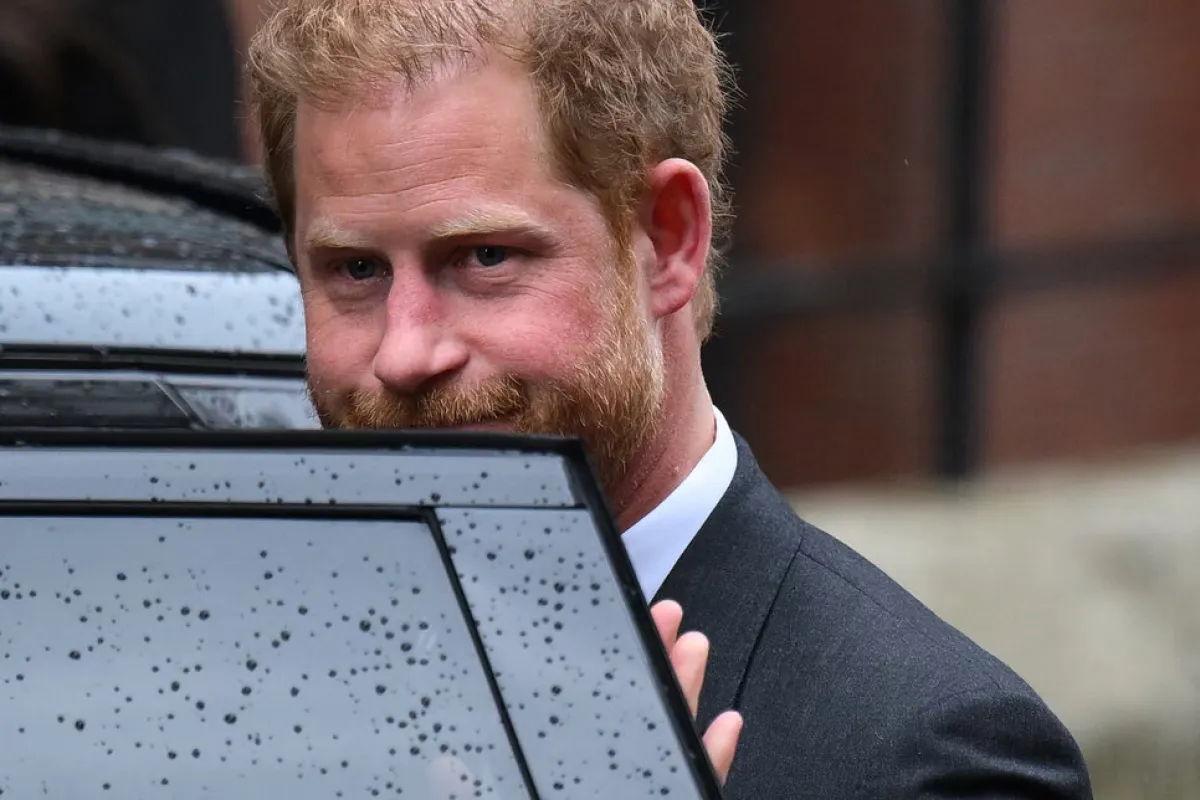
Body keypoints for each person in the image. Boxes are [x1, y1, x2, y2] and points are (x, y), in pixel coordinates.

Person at [244, 1, 1093, 796]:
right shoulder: (245, 678)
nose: (405, 351)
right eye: (355, 270)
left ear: (668, 239)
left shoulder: (925, 756)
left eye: (485, 258)